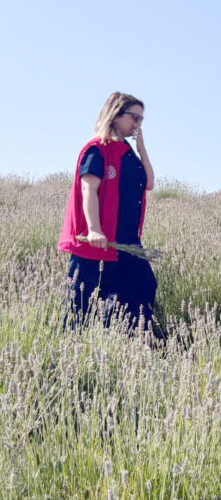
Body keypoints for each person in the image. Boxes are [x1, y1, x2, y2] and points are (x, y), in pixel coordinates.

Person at [59, 92, 159, 335]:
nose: (137, 124)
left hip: (125, 239)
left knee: (143, 288)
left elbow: (149, 183)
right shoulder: (97, 149)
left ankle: (131, 344)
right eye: (134, 117)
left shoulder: (126, 151)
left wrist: (142, 147)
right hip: (97, 240)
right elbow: (88, 189)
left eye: (141, 120)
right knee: (81, 301)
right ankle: (73, 351)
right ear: (115, 115)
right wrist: (93, 229)